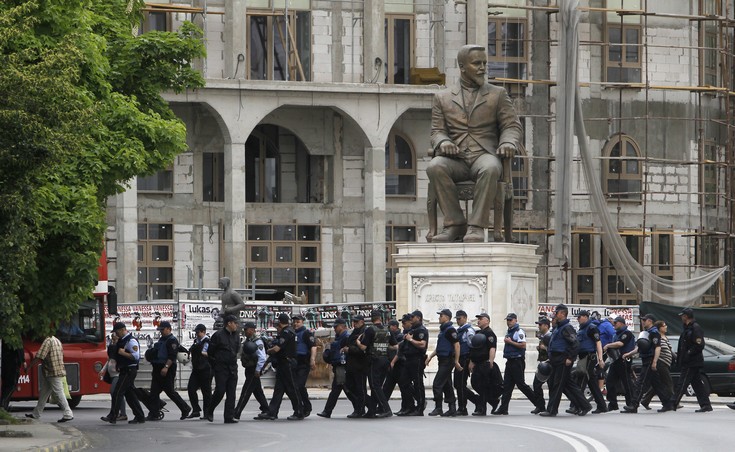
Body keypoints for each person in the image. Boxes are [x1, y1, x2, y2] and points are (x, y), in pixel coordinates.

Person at [428, 44, 523, 242]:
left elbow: (512, 126)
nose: (482, 68)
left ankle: (477, 226)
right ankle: (455, 224)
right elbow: (437, 131)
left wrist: (508, 143)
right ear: (462, 67)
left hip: (485, 155)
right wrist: (443, 141)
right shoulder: (442, 98)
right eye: (476, 63)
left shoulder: (498, 94)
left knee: (490, 168)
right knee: (435, 166)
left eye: (484, 63)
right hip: (457, 160)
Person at [539, 304, 591, 417]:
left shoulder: (567, 327)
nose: (555, 315)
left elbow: (575, 344)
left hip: (562, 360)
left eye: (557, 313)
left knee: (557, 385)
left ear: (562, 314)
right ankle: (583, 405)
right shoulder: (558, 327)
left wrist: (570, 358)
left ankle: (552, 410)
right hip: (556, 360)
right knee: (567, 386)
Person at [622, 314, 675, 413]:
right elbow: (640, 347)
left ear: (650, 321)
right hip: (646, 359)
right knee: (657, 384)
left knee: (640, 383)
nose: (642, 322)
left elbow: (658, 347)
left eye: (644, 320)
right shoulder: (646, 332)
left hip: (649, 360)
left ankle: (634, 405)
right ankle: (668, 404)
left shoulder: (654, 332)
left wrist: (654, 361)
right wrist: (629, 354)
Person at [256, 313, 303, 421]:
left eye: (278, 325)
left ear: (280, 323)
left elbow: (277, 349)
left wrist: (268, 350)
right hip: (283, 364)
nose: (277, 327)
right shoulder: (290, 331)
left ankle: (299, 411)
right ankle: (272, 412)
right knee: (278, 389)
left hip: (287, 364)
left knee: (292, 388)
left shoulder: (286, 332)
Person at [496, 313, 544, 415]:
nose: (508, 322)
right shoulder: (509, 331)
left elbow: (523, 345)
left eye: (510, 320)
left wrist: (510, 342)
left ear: (515, 320)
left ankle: (539, 405)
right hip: (510, 361)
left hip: (517, 361)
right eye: (507, 320)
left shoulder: (519, 331)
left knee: (521, 385)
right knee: (507, 385)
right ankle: (503, 408)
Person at [668, 307, 713, 412]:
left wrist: (688, 354)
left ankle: (673, 403)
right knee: (697, 384)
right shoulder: (687, 328)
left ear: (686, 316)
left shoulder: (695, 328)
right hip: (689, 361)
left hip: (692, 361)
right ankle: (706, 404)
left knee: (682, 383)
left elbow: (699, 344)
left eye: (682, 316)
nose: (681, 318)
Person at [101, 323, 146, 424]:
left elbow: (136, 357)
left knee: (118, 392)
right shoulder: (121, 341)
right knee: (130, 395)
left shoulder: (131, 341)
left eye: (117, 332)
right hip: (123, 370)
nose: (116, 334)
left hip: (129, 370)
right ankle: (140, 416)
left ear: (122, 330)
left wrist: (123, 353)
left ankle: (113, 416)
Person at [147, 321, 192, 421]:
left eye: (162, 330)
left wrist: (166, 367)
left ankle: (185, 408)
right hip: (157, 368)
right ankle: (154, 413)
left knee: (170, 391)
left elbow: (172, 356)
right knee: (154, 392)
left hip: (167, 368)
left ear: (168, 329)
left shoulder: (172, 340)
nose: (161, 332)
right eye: (160, 330)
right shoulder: (162, 339)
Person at [24, 335, 74, 422]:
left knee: (59, 393)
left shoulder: (47, 341)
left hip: (52, 371)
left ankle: (68, 414)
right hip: (55, 370)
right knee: (44, 393)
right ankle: (36, 413)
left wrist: (29, 367)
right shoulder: (57, 340)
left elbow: (39, 356)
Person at [425, 309, 461, 417]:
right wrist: (430, 356)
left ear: (447, 317)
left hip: (447, 361)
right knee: (447, 385)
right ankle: (452, 408)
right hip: (442, 360)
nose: (439, 317)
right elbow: (440, 347)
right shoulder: (443, 331)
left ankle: (438, 408)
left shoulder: (450, 330)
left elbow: (457, 345)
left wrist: (456, 361)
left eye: (441, 315)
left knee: (437, 384)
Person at [359, 310, 395, 418]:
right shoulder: (387, 329)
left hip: (374, 361)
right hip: (385, 361)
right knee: (377, 386)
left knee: (375, 386)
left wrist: (357, 342)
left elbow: (363, 347)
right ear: (380, 318)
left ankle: (386, 409)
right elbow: (395, 346)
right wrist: (384, 347)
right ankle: (372, 411)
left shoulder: (370, 330)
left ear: (371, 319)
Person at [205, 315, 241, 423]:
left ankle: (229, 416)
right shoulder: (218, 335)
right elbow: (210, 352)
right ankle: (210, 409)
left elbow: (237, 348)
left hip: (232, 367)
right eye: (235, 323)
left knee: (231, 392)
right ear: (229, 323)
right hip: (221, 367)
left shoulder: (236, 336)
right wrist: (215, 364)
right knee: (220, 391)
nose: (236, 325)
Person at [317, 319, 354, 418]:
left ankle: (364, 407)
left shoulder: (346, 338)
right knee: (343, 389)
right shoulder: (338, 338)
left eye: (336, 326)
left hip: (342, 367)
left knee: (343, 390)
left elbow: (342, 353)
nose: (334, 328)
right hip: (338, 366)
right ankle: (360, 408)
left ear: (342, 326)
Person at [572, 310, 607, 414]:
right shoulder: (581, 329)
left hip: (589, 358)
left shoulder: (591, 328)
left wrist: (600, 359)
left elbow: (598, 343)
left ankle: (577, 406)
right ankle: (602, 406)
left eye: (579, 317)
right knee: (592, 384)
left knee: (581, 381)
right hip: (583, 358)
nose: (577, 319)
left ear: (585, 317)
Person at [468, 313, 502, 416]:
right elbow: (474, 349)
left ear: (487, 321)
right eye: (478, 319)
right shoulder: (478, 333)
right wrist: (471, 361)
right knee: (475, 384)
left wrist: (490, 361)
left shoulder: (490, 334)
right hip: (477, 363)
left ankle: (482, 409)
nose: (478, 321)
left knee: (483, 386)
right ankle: (492, 401)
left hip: (484, 363)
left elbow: (492, 348)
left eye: (481, 319)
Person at [235, 321, 269, 419]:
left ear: (252, 330)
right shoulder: (249, 340)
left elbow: (262, 357)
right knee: (257, 391)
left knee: (246, 392)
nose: (245, 331)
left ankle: (236, 412)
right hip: (249, 369)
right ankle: (266, 410)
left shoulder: (257, 341)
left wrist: (258, 370)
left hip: (254, 370)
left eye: (246, 329)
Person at [398, 310, 429, 416]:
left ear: (419, 318)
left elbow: (422, 344)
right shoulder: (412, 329)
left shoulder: (421, 330)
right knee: (403, 382)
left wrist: (410, 340)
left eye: (413, 317)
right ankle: (409, 406)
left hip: (417, 359)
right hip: (408, 359)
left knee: (418, 384)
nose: (411, 319)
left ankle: (420, 408)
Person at [602, 316, 636, 411]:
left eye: (615, 323)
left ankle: (630, 404)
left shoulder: (627, 333)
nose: (614, 325)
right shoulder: (615, 334)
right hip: (615, 360)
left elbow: (621, 344)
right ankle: (613, 404)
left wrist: (608, 345)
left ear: (621, 323)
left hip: (624, 359)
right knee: (609, 382)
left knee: (626, 383)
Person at [640, 320, 673, 410]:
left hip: (666, 362)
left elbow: (669, 350)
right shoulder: (658, 337)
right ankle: (673, 402)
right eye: (664, 325)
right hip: (660, 362)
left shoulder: (665, 337)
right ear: (659, 328)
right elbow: (657, 349)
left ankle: (645, 400)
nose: (666, 327)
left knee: (657, 384)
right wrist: (655, 361)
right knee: (667, 382)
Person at [343, 315, 371, 418]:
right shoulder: (354, 332)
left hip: (360, 365)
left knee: (360, 389)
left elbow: (363, 349)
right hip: (351, 364)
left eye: (356, 322)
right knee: (350, 386)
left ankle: (360, 409)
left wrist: (349, 349)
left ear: (362, 322)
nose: (354, 324)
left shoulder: (364, 333)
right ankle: (367, 405)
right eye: (353, 322)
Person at [392, 314, 417, 416]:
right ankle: (406, 406)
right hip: (405, 361)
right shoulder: (405, 333)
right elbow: (400, 349)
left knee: (407, 384)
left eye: (404, 323)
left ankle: (411, 406)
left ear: (410, 322)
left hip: (411, 361)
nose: (402, 325)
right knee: (404, 385)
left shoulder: (412, 333)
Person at [453, 310, 477, 416]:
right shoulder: (459, 331)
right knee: (457, 384)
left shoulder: (469, 331)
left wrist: (471, 361)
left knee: (461, 384)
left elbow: (473, 347)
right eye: (457, 319)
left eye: (459, 318)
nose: (458, 321)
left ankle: (462, 408)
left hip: (465, 359)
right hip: (460, 359)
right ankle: (477, 401)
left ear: (465, 318)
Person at [292, 314, 317, 417]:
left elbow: (313, 347)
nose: (295, 324)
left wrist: (312, 360)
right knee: (297, 387)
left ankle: (305, 407)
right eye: (294, 322)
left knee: (299, 385)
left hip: (303, 363)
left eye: (298, 322)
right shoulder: (292, 333)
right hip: (294, 363)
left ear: (302, 322)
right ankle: (305, 407)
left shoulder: (306, 333)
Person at [99, 332, 127, 421]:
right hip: (112, 374)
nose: (114, 341)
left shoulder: (120, 348)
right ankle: (120, 413)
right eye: (113, 339)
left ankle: (119, 413)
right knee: (118, 394)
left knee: (115, 392)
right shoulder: (112, 348)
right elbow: (109, 360)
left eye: (115, 339)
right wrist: (103, 370)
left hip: (117, 374)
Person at [186, 324, 212, 420]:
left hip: (205, 369)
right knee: (191, 389)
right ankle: (196, 410)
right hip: (196, 369)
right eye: (196, 332)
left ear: (203, 332)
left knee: (206, 392)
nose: (196, 334)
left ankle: (207, 413)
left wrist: (201, 352)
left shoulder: (208, 342)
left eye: (198, 332)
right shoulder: (196, 341)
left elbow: (209, 354)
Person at [531, 316, 552, 414]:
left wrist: (545, 348)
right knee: (536, 385)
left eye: (540, 325)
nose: (538, 327)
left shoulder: (550, 336)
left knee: (551, 386)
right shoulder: (543, 336)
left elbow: (554, 350)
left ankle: (550, 408)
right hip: (542, 364)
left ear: (546, 326)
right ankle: (540, 406)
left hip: (549, 364)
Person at [382, 319, 404, 405]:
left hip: (398, 364)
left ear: (394, 327)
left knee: (404, 386)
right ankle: (383, 406)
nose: (388, 328)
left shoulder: (399, 336)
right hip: (392, 364)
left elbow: (398, 350)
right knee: (387, 387)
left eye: (390, 326)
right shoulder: (391, 335)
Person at [1, 336, 24, 411]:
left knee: (5, 385)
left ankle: (4, 405)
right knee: (12, 385)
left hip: (4, 363)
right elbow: (19, 349)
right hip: (13, 363)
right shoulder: (15, 335)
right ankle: (3, 405)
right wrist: (22, 361)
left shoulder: (4, 334)